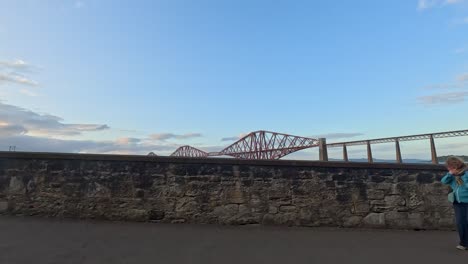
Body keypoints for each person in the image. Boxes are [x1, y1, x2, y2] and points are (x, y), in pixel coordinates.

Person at [441, 156, 468, 250]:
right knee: (461, 223)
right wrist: (450, 174)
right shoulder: (453, 175)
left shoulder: (466, 173)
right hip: (457, 202)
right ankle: (464, 243)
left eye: (449, 167)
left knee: (465, 222)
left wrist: (463, 179)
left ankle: (465, 243)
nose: (448, 168)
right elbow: (443, 181)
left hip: (466, 201)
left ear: (454, 165)